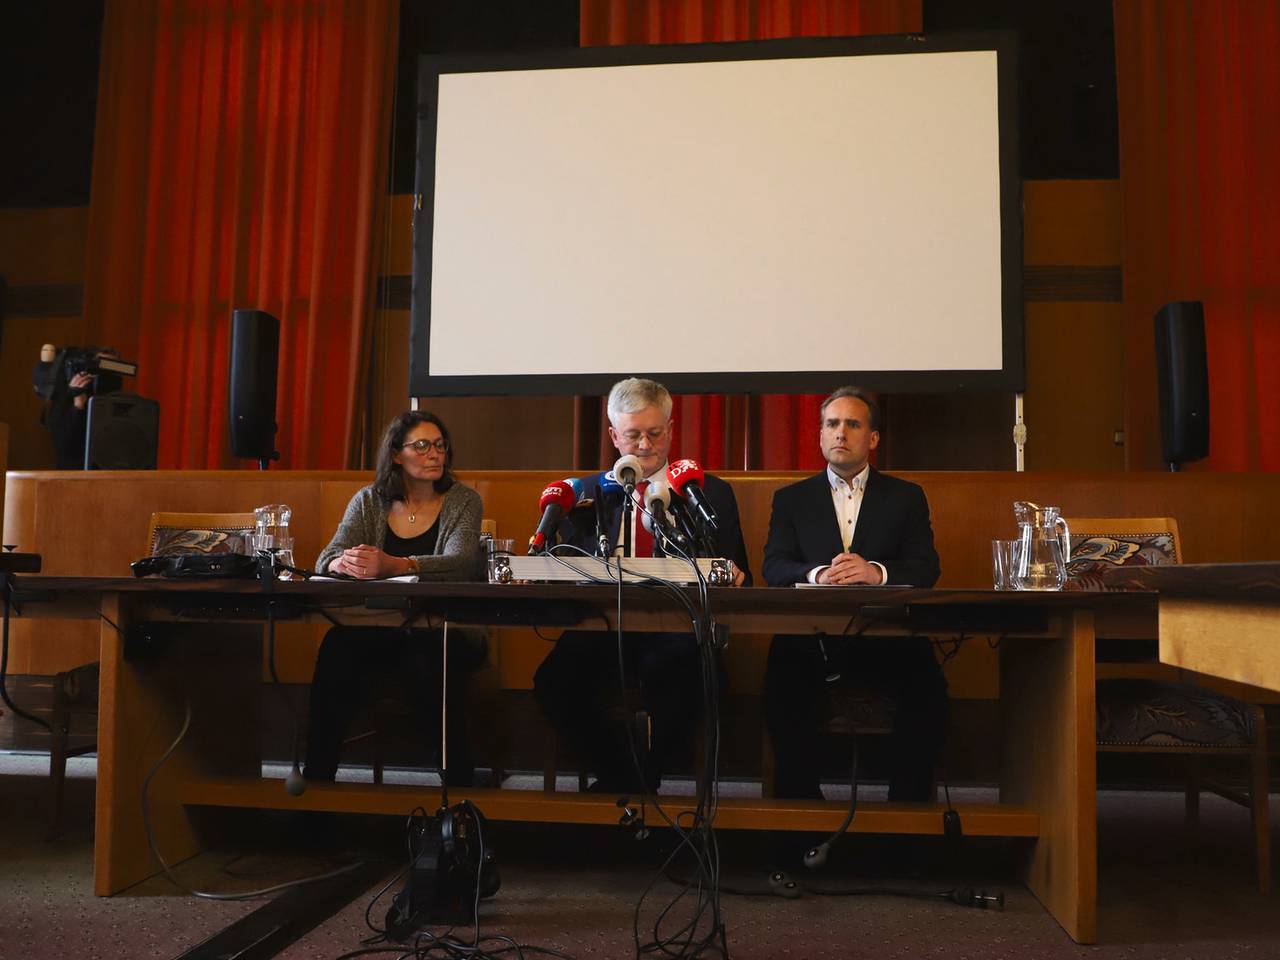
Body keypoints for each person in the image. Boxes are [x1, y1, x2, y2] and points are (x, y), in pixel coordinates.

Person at [533, 377, 752, 794]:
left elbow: (742, 573)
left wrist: (733, 575)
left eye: (655, 433)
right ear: (614, 436)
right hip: (601, 627)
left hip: (677, 629)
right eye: (633, 435)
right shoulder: (583, 494)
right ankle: (624, 774)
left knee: (687, 677)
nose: (646, 446)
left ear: (671, 430)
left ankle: (645, 776)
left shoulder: (708, 493)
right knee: (554, 682)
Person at [762, 386, 945, 801]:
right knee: (782, 681)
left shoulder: (906, 497)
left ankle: (907, 817)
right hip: (813, 641)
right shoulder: (790, 500)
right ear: (821, 435)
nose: (840, 432)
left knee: (929, 690)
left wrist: (875, 573)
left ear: (873, 439)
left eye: (852, 424)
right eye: (831, 424)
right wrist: (819, 574)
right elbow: (774, 566)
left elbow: (926, 569)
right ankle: (801, 815)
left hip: (888, 639)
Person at [303, 410, 487, 785]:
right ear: (397, 454)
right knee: (337, 649)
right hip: (377, 626)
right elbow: (325, 559)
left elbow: (462, 563)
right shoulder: (369, 501)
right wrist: (346, 561)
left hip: (445, 628)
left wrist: (394, 564)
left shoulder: (463, 500)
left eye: (439, 445)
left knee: (427, 660)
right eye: (421, 446)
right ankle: (317, 784)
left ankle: (458, 788)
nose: (435, 454)